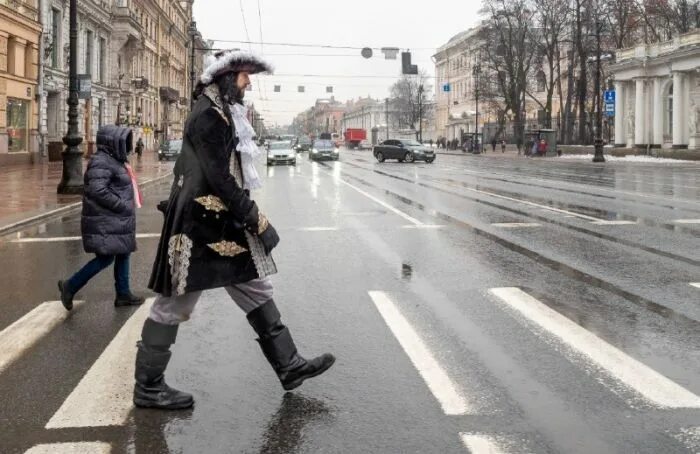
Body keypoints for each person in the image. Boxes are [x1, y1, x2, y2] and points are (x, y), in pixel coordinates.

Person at [132, 50, 335, 410]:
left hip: (217, 220)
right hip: (199, 225)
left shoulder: (219, 110)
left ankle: (289, 365)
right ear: (226, 77)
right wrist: (255, 216)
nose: (248, 82)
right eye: (244, 76)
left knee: (255, 284)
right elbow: (218, 177)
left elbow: (196, 168)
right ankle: (148, 388)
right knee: (175, 303)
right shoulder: (209, 115)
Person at [58, 126, 145, 310]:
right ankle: (70, 286)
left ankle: (123, 294)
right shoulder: (102, 161)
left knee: (123, 252)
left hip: (117, 220)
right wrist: (120, 205)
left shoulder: (115, 160)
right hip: (107, 219)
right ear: (112, 142)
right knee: (105, 258)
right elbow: (97, 190)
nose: (126, 145)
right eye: (123, 141)